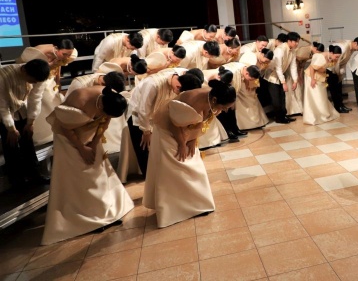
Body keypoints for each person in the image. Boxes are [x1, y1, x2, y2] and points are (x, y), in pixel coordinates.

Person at [41, 76, 133, 245]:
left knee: (97, 170)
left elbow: (104, 122)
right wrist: (81, 148)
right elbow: (63, 127)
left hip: (90, 136)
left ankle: (106, 211)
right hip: (68, 139)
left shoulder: (110, 98)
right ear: (102, 106)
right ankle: (86, 217)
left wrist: (94, 142)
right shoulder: (79, 98)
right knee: (79, 175)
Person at [143, 78, 236, 228]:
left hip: (186, 130)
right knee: (176, 165)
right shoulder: (192, 100)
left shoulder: (212, 98)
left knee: (194, 163)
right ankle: (173, 210)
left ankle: (197, 204)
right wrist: (181, 143)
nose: (224, 110)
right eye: (224, 107)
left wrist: (193, 140)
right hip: (168, 130)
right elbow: (175, 125)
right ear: (214, 100)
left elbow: (203, 121)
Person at [125, 68, 204, 177]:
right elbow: (143, 109)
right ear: (178, 87)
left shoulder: (184, 77)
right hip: (138, 116)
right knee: (144, 146)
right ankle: (150, 176)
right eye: (180, 91)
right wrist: (146, 131)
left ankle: (163, 173)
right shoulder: (152, 84)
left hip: (158, 116)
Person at [0, 59, 51, 189]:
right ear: (23, 70)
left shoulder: (39, 76)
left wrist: (30, 121)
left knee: (27, 140)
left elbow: (35, 98)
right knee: (10, 144)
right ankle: (16, 180)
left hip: (22, 110)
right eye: (32, 80)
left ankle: (35, 174)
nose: (34, 83)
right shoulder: (3, 77)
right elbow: (2, 106)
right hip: (4, 113)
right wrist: (11, 128)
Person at [16, 40, 77, 146]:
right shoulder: (37, 52)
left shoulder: (62, 55)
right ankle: (41, 134)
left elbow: (59, 67)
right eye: (64, 54)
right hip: (37, 79)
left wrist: (58, 82)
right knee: (41, 101)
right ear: (57, 48)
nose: (66, 57)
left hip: (50, 81)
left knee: (54, 102)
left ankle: (55, 132)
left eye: (69, 55)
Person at [262, 31, 300, 124]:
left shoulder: (293, 51)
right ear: (289, 41)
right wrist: (283, 83)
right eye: (295, 41)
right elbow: (278, 68)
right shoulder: (280, 50)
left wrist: (295, 80)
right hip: (272, 77)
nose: (297, 43)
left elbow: (293, 66)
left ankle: (283, 116)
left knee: (282, 97)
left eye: (298, 41)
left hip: (280, 76)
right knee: (276, 99)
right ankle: (279, 118)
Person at [303, 43, 341, 125]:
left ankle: (324, 113)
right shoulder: (320, 56)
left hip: (320, 76)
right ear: (331, 53)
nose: (337, 58)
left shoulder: (331, 57)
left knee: (322, 95)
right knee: (316, 95)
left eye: (338, 57)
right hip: (311, 76)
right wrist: (312, 79)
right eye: (336, 56)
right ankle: (315, 116)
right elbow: (313, 68)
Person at [327, 38, 358, 114]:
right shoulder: (343, 47)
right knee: (334, 89)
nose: (357, 50)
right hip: (331, 68)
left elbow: (344, 61)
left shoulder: (350, 49)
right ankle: (337, 107)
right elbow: (335, 59)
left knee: (339, 87)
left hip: (338, 68)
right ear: (355, 43)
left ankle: (341, 105)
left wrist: (341, 72)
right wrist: (337, 71)